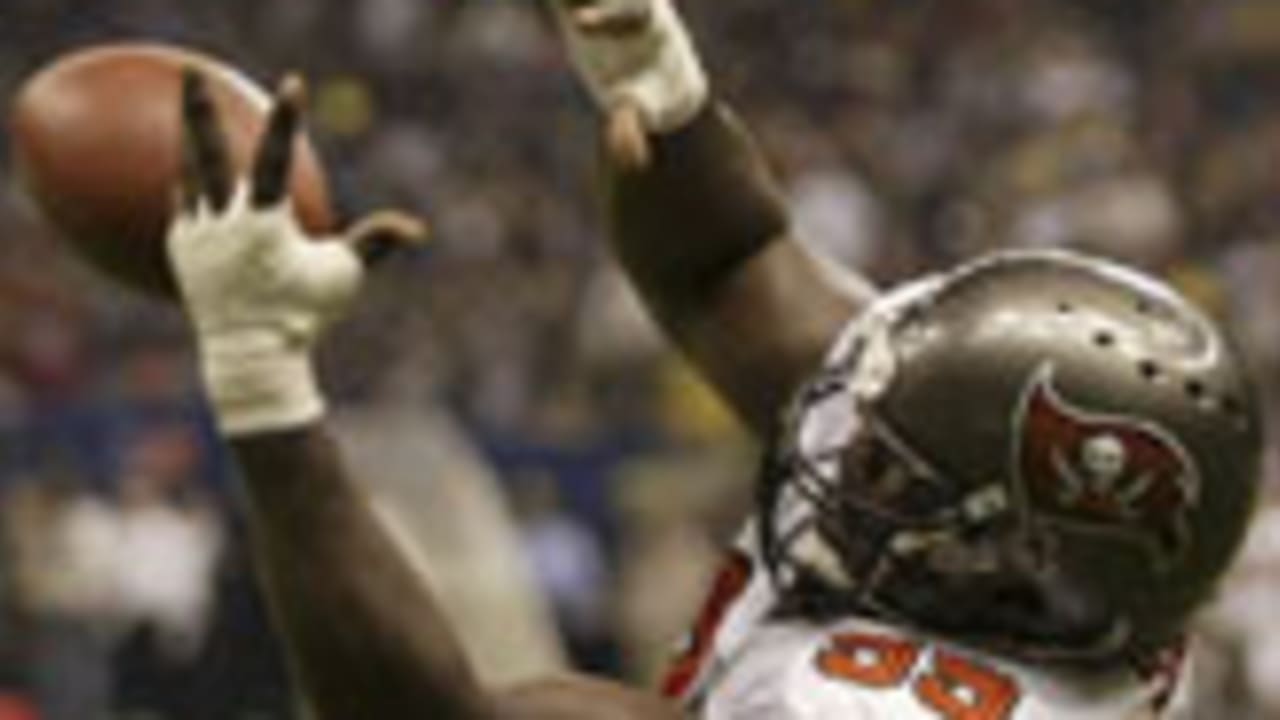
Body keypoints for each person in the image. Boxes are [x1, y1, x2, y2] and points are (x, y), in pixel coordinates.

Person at [167, 0, 1263, 717]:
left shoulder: (856, 704)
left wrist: (263, 382)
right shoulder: (1082, 572)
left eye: (890, 471)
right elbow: (732, 266)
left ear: (1005, 571)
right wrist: (651, 68)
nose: (843, 460)